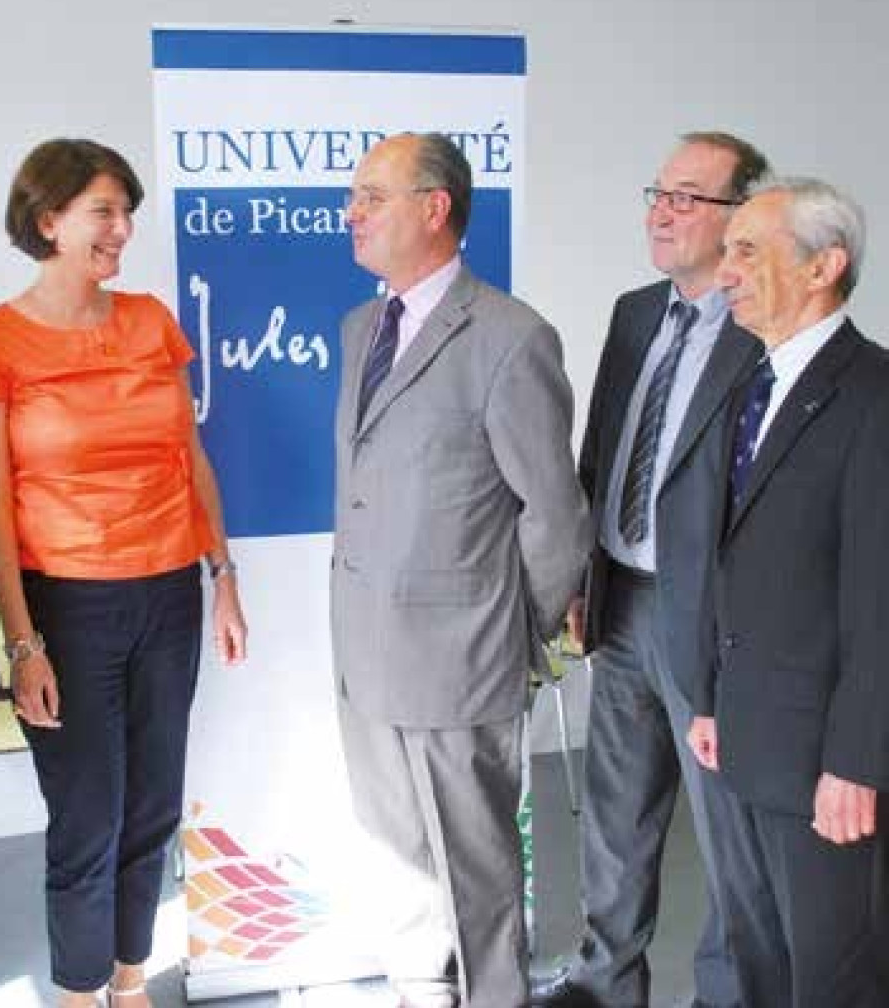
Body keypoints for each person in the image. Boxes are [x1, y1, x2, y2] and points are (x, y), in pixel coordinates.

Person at [0, 138, 247, 1008]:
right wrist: (22, 644)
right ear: (48, 221)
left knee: (154, 806)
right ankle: (78, 994)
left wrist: (220, 572)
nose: (123, 229)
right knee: (89, 819)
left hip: (169, 596)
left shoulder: (151, 320)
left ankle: (128, 981)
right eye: (103, 212)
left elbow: (190, 458)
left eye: (127, 212)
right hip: (65, 610)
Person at [331, 132, 589, 1008]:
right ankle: (421, 991)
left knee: (476, 875)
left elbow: (555, 516)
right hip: (365, 657)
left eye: (372, 195)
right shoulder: (363, 327)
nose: (351, 212)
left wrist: (514, 635)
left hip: (462, 662)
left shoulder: (513, 340)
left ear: (434, 208)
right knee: (396, 855)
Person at [532, 132, 769, 1008]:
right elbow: (603, 448)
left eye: (688, 197)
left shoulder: (763, 329)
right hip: (622, 598)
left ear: (739, 218)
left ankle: (729, 989)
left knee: (726, 826)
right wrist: (578, 578)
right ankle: (604, 981)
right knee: (616, 812)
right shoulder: (637, 312)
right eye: (658, 193)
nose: (661, 212)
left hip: (713, 619)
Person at [686, 177, 889, 1008]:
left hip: (826, 767)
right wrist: (709, 699)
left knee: (836, 978)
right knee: (762, 961)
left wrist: (855, 761)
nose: (724, 269)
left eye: (746, 251)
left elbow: (878, 598)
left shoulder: (874, 396)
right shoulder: (752, 383)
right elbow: (731, 555)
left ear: (822, 267)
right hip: (747, 740)